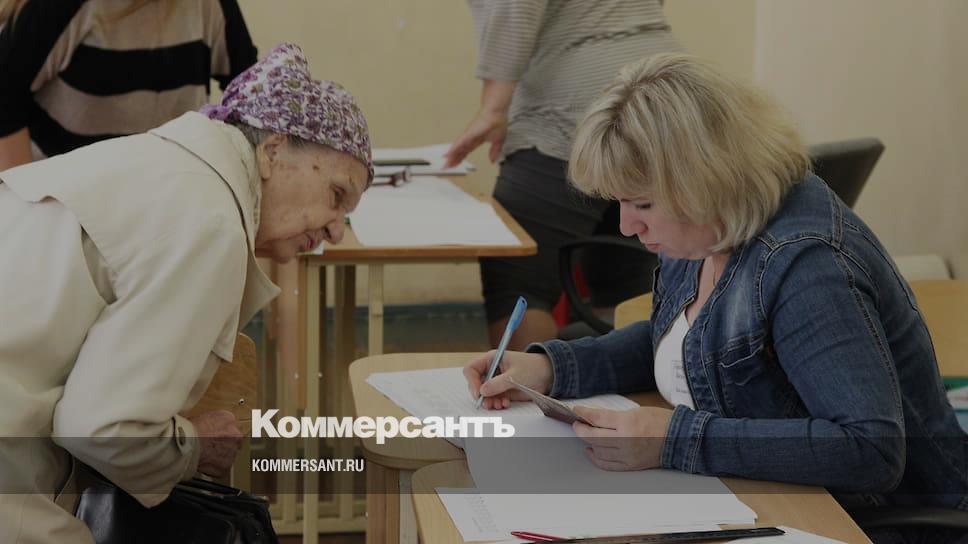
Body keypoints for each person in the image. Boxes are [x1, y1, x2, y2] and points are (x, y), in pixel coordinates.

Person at [465, 53, 968, 544]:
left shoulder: (809, 267)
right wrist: (552, 368)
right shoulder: (706, 229)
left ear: (705, 181)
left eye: (643, 203)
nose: (627, 225)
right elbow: (683, 339)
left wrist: (674, 440)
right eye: (619, 201)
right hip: (757, 496)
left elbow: (871, 451)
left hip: (867, 521)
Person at [0, 43, 372, 544]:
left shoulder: (163, 165)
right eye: (336, 196)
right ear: (273, 150)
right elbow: (103, 428)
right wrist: (194, 447)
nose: (336, 231)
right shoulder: (209, 221)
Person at [444, 0, 682, 349]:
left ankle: (524, 384)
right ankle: (632, 383)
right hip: (662, 98)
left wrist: (493, 107)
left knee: (519, 284)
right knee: (628, 282)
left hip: (573, 109)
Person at [0, 0, 257, 171]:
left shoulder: (209, 5)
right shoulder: (58, 8)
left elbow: (252, 97)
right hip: (66, 200)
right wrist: (28, 206)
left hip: (162, 194)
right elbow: (5, 97)